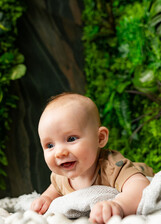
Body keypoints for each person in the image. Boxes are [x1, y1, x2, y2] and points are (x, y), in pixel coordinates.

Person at [30, 92, 154, 224]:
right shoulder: (60, 176)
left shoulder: (112, 167)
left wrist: (119, 205)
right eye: (50, 145)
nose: (59, 153)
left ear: (100, 138)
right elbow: (55, 188)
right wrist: (46, 198)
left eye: (71, 139)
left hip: (140, 171)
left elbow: (140, 187)